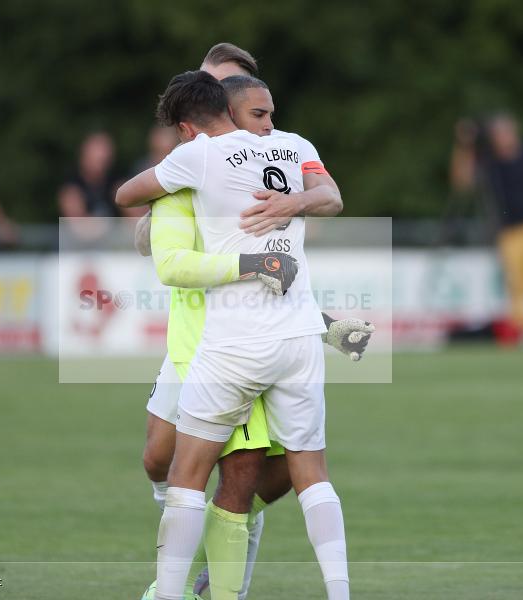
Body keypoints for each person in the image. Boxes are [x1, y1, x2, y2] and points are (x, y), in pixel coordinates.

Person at [128, 47, 368, 600]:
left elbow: (291, 252)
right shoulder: (193, 162)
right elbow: (157, 247)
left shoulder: (268, 156)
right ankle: (191, 577)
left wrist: (327, 325)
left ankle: (210, 589)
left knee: (241, 482)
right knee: (158, 461)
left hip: (242, 343)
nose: (256, 118)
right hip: (192, 341)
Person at [450, 112, 523, 345]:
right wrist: (465, 146)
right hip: (509, 233)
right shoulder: (489, 162)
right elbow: (462, 182)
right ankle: (519, 332)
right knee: (516, 286)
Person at [58, 131, 119, 218]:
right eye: (97, 160)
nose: (100, 167)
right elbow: (76, 221)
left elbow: (135, 216)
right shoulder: (72, 186)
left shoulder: (115, 183)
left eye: (104, 161)